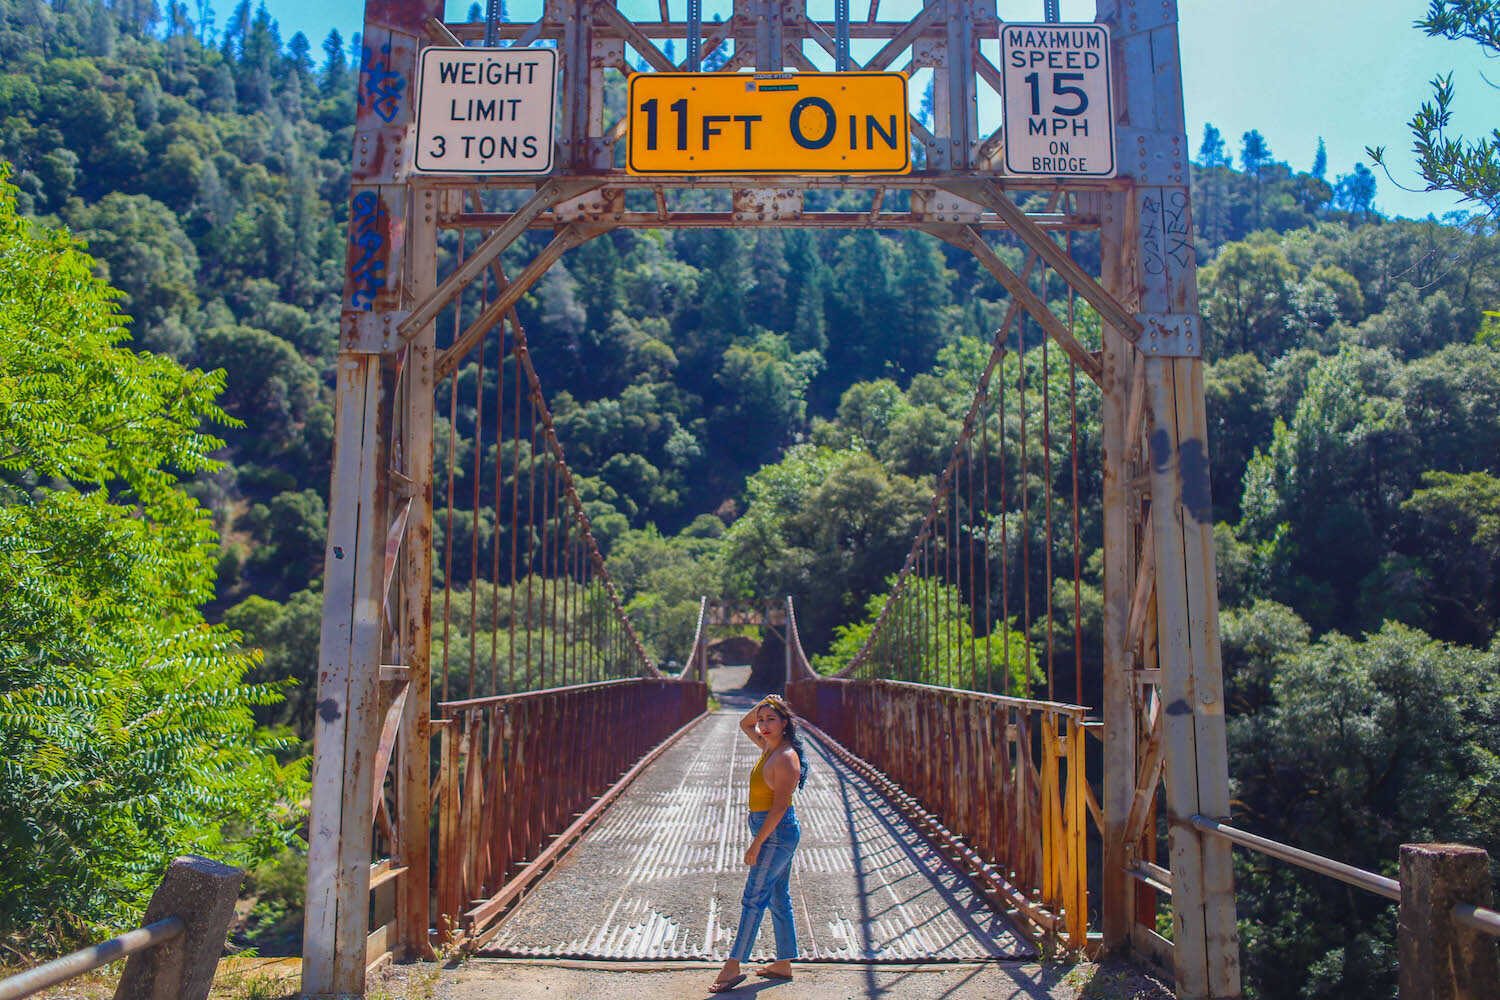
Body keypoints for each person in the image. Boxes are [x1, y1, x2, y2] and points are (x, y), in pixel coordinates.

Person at [708, 694, 810, 993]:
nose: (763, 725)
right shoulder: (768, 746)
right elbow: (744, 723)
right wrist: (765, 703)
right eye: (762, 720)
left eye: (771, 720)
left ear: (785, 723)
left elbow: (779, 808)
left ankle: (732, 967)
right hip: (771, 831)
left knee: (753, 898)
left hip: (775, 834)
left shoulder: (786, 757)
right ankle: (783, 963)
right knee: (778, 896)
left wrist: (756, 845)